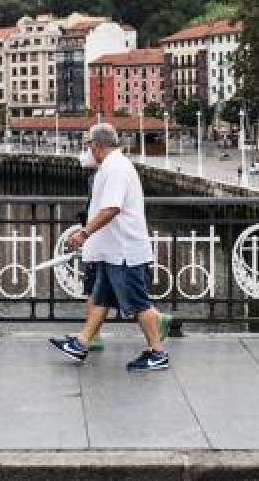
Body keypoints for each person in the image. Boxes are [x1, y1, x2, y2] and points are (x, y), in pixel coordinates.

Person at [50, 123, 170, 372]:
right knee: (101, 297)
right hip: (112, 251)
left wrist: (84, 232)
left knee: (139, 303)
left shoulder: (115, 168)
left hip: (124, 251)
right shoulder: (113, 166)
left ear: (96, 145)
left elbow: (112, 208)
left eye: (88, 146)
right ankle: (81, 344)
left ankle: (157, 353)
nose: (87, 151)